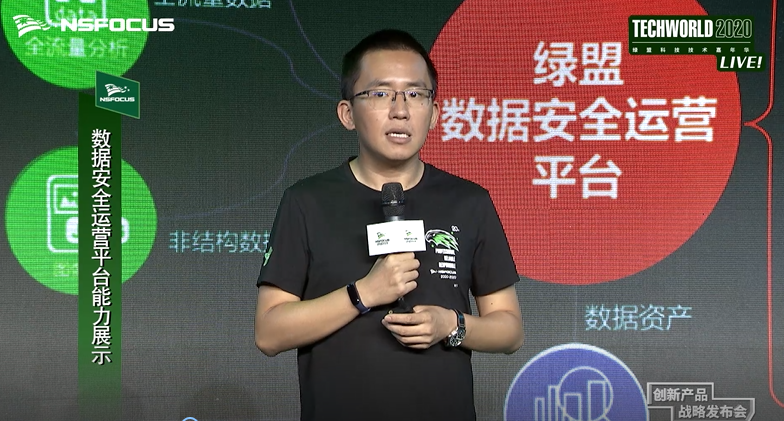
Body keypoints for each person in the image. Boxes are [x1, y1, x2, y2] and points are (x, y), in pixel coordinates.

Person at [255, 29, 523, 421]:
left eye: (415, 94)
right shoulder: (306, 202)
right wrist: (363, 293)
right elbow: (269, 333)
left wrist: (452, 324)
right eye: (381, 93)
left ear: (434, 113)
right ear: (347, 113)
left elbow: (510, 330)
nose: (400, 110)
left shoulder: (469, 202)